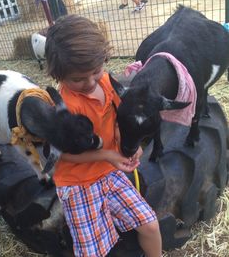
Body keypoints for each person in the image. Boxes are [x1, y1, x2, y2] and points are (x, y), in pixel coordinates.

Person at [45, 14, 162, 257]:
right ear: (58, 75)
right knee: (93, 252)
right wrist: (109, 155)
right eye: (77, 79)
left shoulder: (108, 82)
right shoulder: (66, 106)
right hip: (78, 183)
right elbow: (65, 155)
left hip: (109, 172)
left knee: (150, 224)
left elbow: (119, 119)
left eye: (95, 71)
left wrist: (129, 145)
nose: (89, 83)